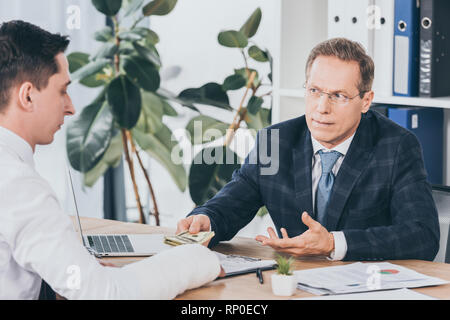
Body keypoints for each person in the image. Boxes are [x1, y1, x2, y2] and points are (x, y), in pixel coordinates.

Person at [0, 20, 222, 300]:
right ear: (28, 95)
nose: (70, 108)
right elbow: (106, 295)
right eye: (62, 90)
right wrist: (197, 260)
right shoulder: (19, 186)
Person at [177, 38, 440, 262]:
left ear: (365, 101)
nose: (322, 108)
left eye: (339, 96)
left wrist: (334, 243)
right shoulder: (275, 141)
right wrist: (206, 220)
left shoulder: (396, 147)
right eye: (315, 91)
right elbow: (233, 202)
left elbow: (423, 235)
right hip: (294, 281)